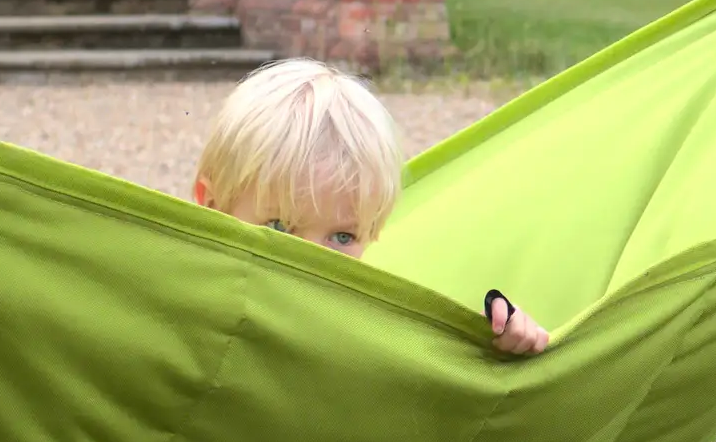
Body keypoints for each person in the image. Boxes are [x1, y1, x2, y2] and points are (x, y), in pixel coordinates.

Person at [192, 58, 549, 355]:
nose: (311, 263)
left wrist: (493, 335)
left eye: (343, 237)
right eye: (279, 227)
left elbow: (426, 354)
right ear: (212, 205)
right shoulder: (185, 301)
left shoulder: (362, 322)